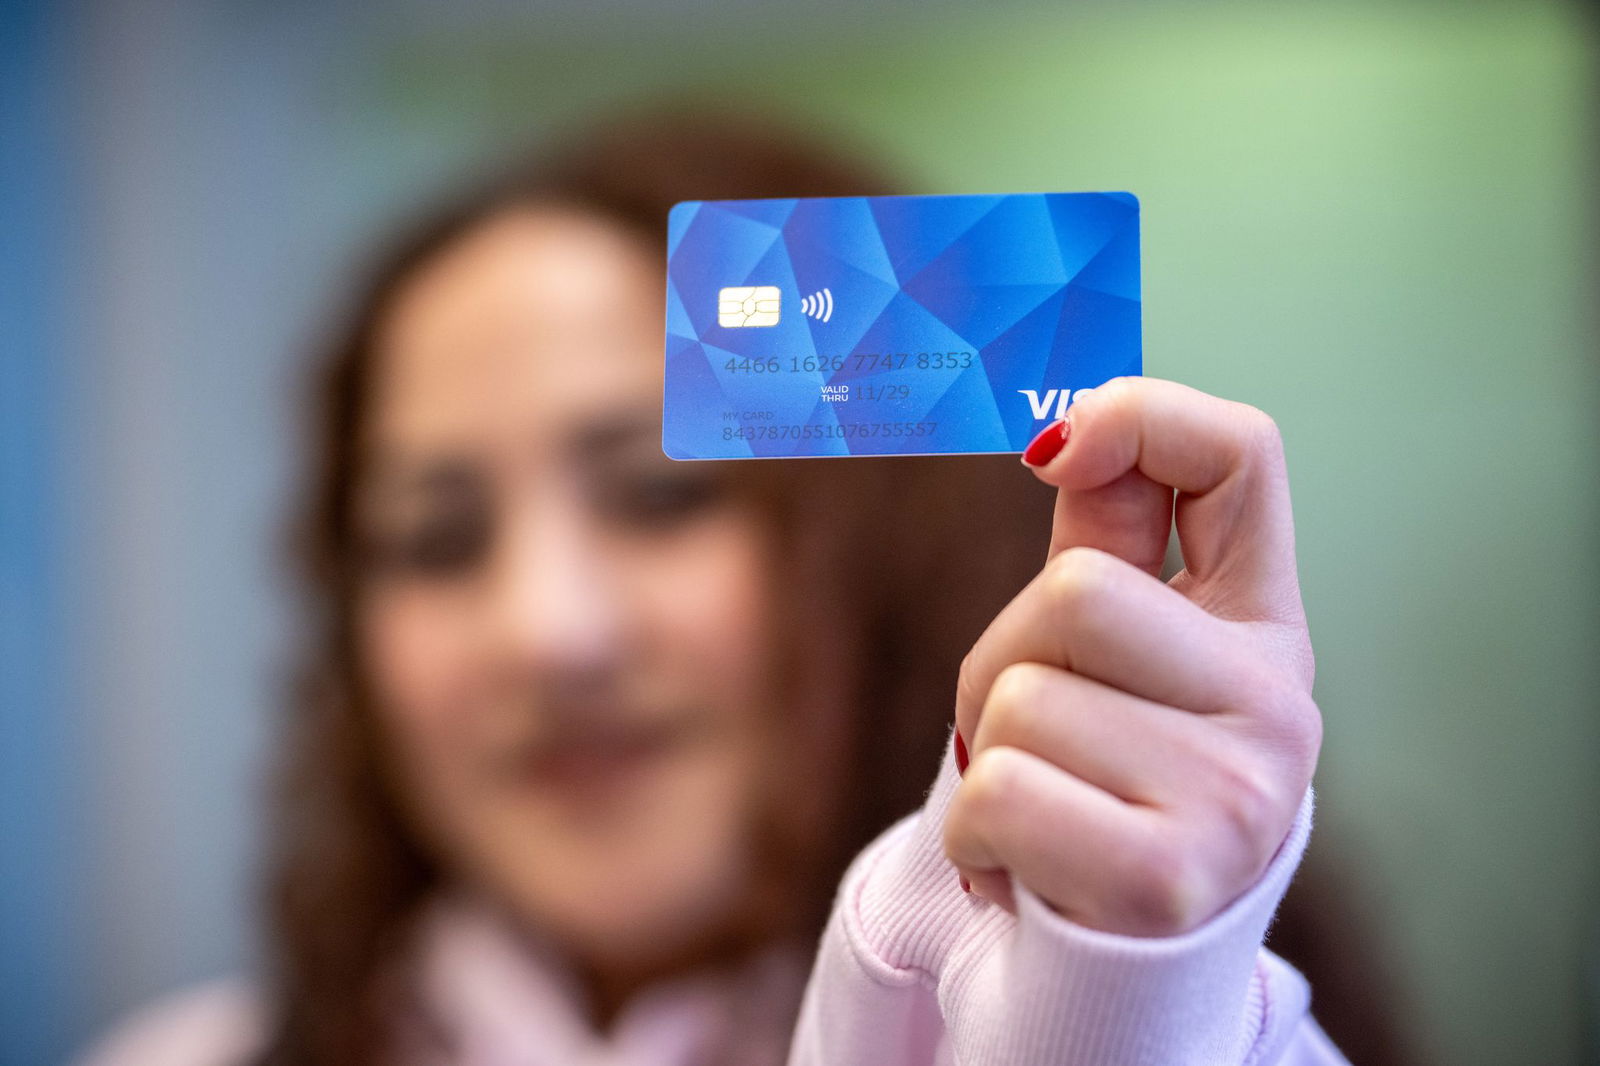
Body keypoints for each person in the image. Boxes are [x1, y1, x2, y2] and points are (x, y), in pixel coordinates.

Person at [77, 108, 1352, 1066]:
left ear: (900, 555)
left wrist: (1130, 1001)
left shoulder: (1207, 1033)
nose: (547, 632)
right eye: (435, 538)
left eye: (658, 496)